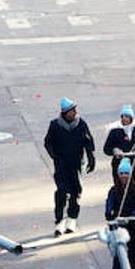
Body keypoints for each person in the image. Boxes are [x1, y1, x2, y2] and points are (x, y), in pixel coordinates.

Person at [43, 97, 96, 236]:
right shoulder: (55, 125)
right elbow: (47, 142)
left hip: (77, 164)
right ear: (65, 113)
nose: (75, 112)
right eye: (72, 110)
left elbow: (88, 141)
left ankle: (72, 218)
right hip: (61, 165)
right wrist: (55, 155)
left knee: (76, 191)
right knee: (61, 192)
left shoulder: (81, 124)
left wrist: (91, 157)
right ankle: (59, 220)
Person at [105, 158, 135, 269]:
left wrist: (133, 216)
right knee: (118, 256)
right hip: (119, 227)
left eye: (126, 173)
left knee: (133, 254)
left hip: (133, 226)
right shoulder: (114, 190)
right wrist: (109, 215)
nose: (123, 176)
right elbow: (109, 204)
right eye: (121, 173)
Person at [102, 104, 135, 184]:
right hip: (119, 162)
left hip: (134, 162)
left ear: (131, 118)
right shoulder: (114, 131)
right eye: (122, 116)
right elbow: (106, 149)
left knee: (133, 184)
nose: (124, 118)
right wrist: (114, 150)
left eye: (126, 116)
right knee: (118, 185)